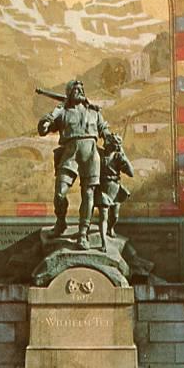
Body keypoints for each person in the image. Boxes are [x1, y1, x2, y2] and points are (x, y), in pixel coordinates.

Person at [38, 80, 110, 250]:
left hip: (91, 155)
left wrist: (108, 136)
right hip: (70, 154)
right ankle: (61, 222)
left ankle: (83, 234)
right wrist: (49, 117)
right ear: (69, 93)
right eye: (75, 89)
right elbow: (43, 130)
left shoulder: (94, 112)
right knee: (60, 193)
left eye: (81, 89)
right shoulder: (62, 113)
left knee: (89, 194)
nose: (79, 91)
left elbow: (104, 129)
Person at [95, 133, 134, 252]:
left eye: (117, 144)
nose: (116, 146)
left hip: (115, 188)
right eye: (114, 143)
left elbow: (131, 173)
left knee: (115, 216)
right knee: (103, 217)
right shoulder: (99, 154)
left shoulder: (118, 157)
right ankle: (103, 242)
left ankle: (110, 228)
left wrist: (124, 155)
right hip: (102, 189)